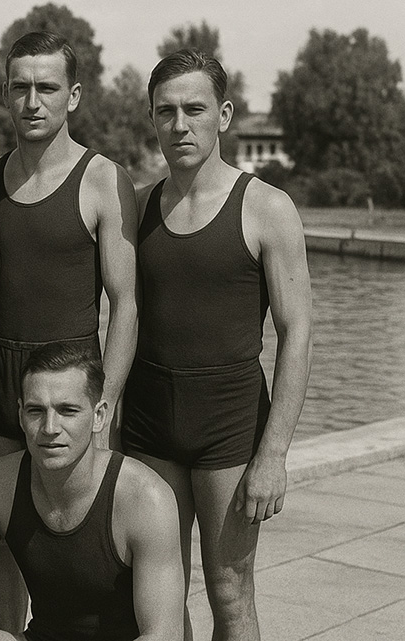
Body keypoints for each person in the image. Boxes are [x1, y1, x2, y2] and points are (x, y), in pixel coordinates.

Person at [124, 49, 312, 640]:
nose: (180, 125)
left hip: (228, 424)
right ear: (152, 119)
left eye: (195, 110)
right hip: (150, 420)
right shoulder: (139, 207)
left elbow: (297, 331)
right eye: (166, 112)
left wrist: (274, 453)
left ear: (224, 115)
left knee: (230, 591)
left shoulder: (266, 209)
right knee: (158, 592)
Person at [0, 31, 138, 632]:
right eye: (20, 88)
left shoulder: (102, 181)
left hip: (71, 386)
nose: (33, 101)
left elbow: (127, 302)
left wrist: (104, 399)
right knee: (0, 544)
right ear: (5, 95)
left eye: (47, 88)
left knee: (79, 543)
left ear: (74, 95)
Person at [0, 343, 185, 641]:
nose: (50, 427)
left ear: (99, 416)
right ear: (20, 414)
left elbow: (163, 634)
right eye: (36, 411)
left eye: (67, 410)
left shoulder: (146, 499)